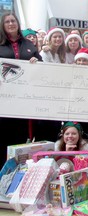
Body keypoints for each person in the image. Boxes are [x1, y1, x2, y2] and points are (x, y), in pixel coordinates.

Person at [0, 12, 42, 167]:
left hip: (24, 102)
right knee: (4, 137)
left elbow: (42, 67)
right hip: (4, 101)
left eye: (13, 21)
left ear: (18, 23)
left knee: (19, 139)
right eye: (7, 22)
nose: (11, 24)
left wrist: (37, 62)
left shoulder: (29, 45)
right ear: (3, 26)